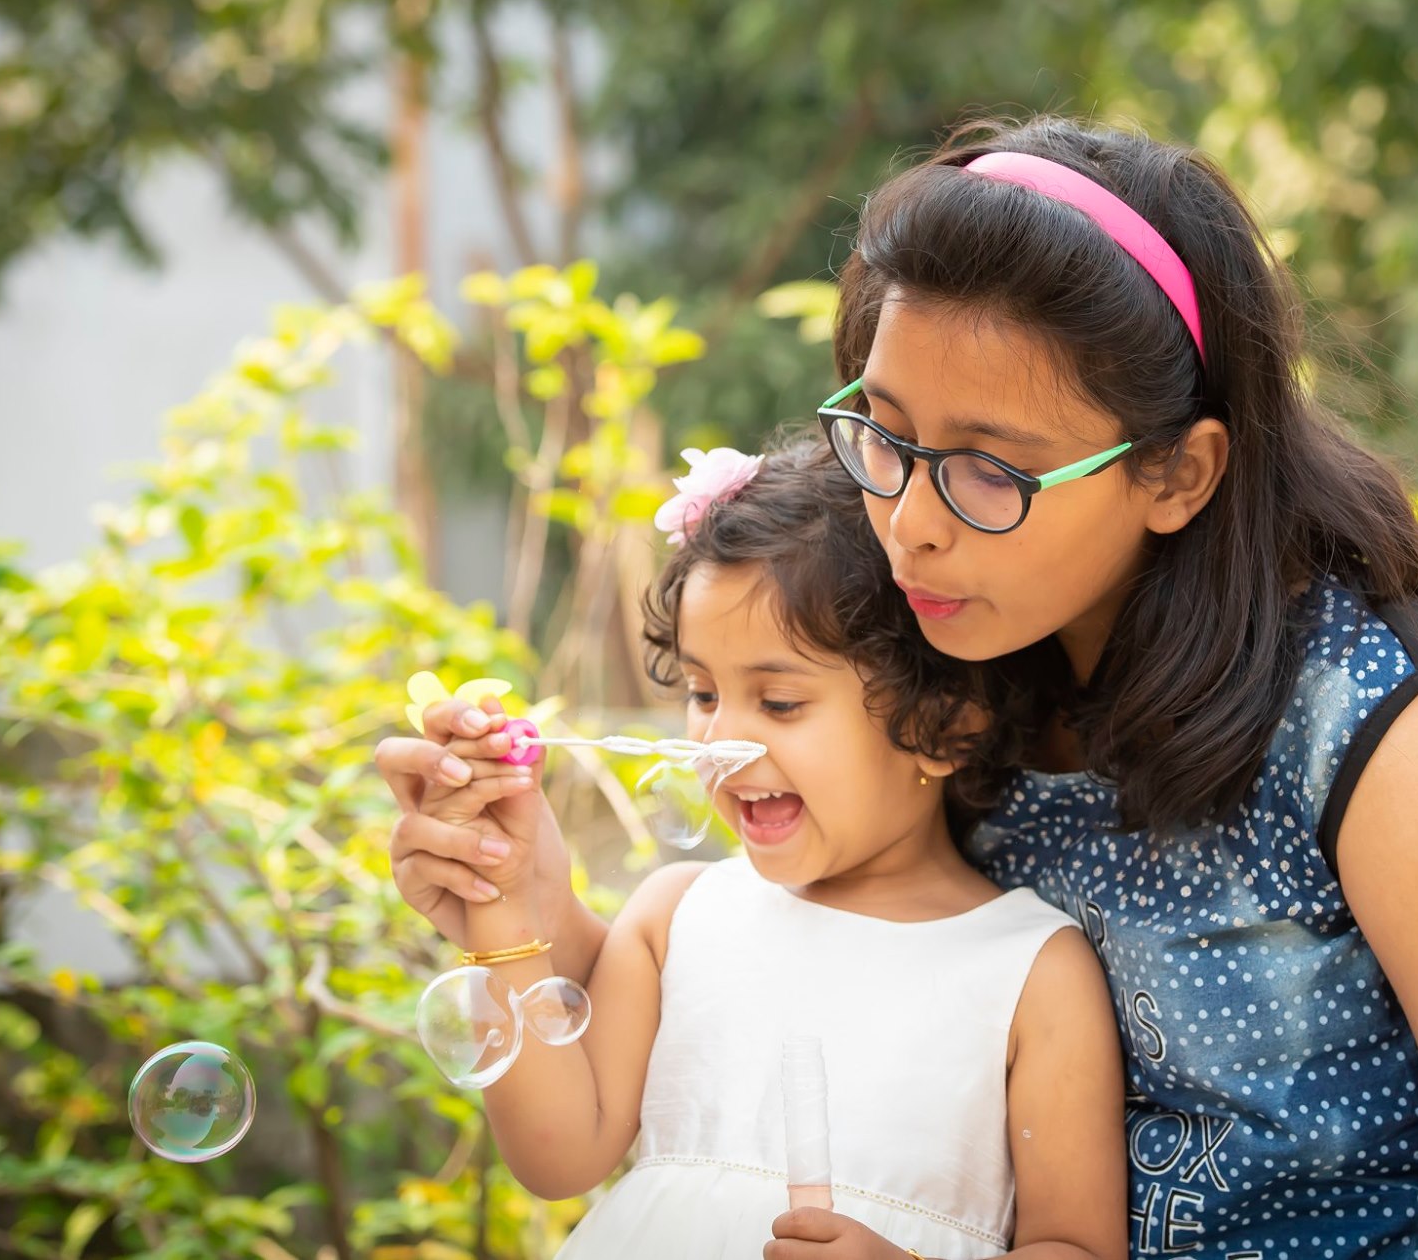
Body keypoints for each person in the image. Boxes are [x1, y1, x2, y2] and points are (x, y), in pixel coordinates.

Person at [385, 114, 1418, 1258]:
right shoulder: (952, 653)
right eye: (883, 431)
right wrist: (526, 897)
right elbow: (766, 1022)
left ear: (1175, 476)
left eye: (990, 470)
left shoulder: (1372, 734)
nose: (909, 525)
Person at [382, 438, 1125, 1260]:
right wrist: (499, 890)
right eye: (702, 693)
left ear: (942, 724)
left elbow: (1078, 1245)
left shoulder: (1031, 970)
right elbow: (559, 1156)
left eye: (777, 701)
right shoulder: (677, 917)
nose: (720, 742)